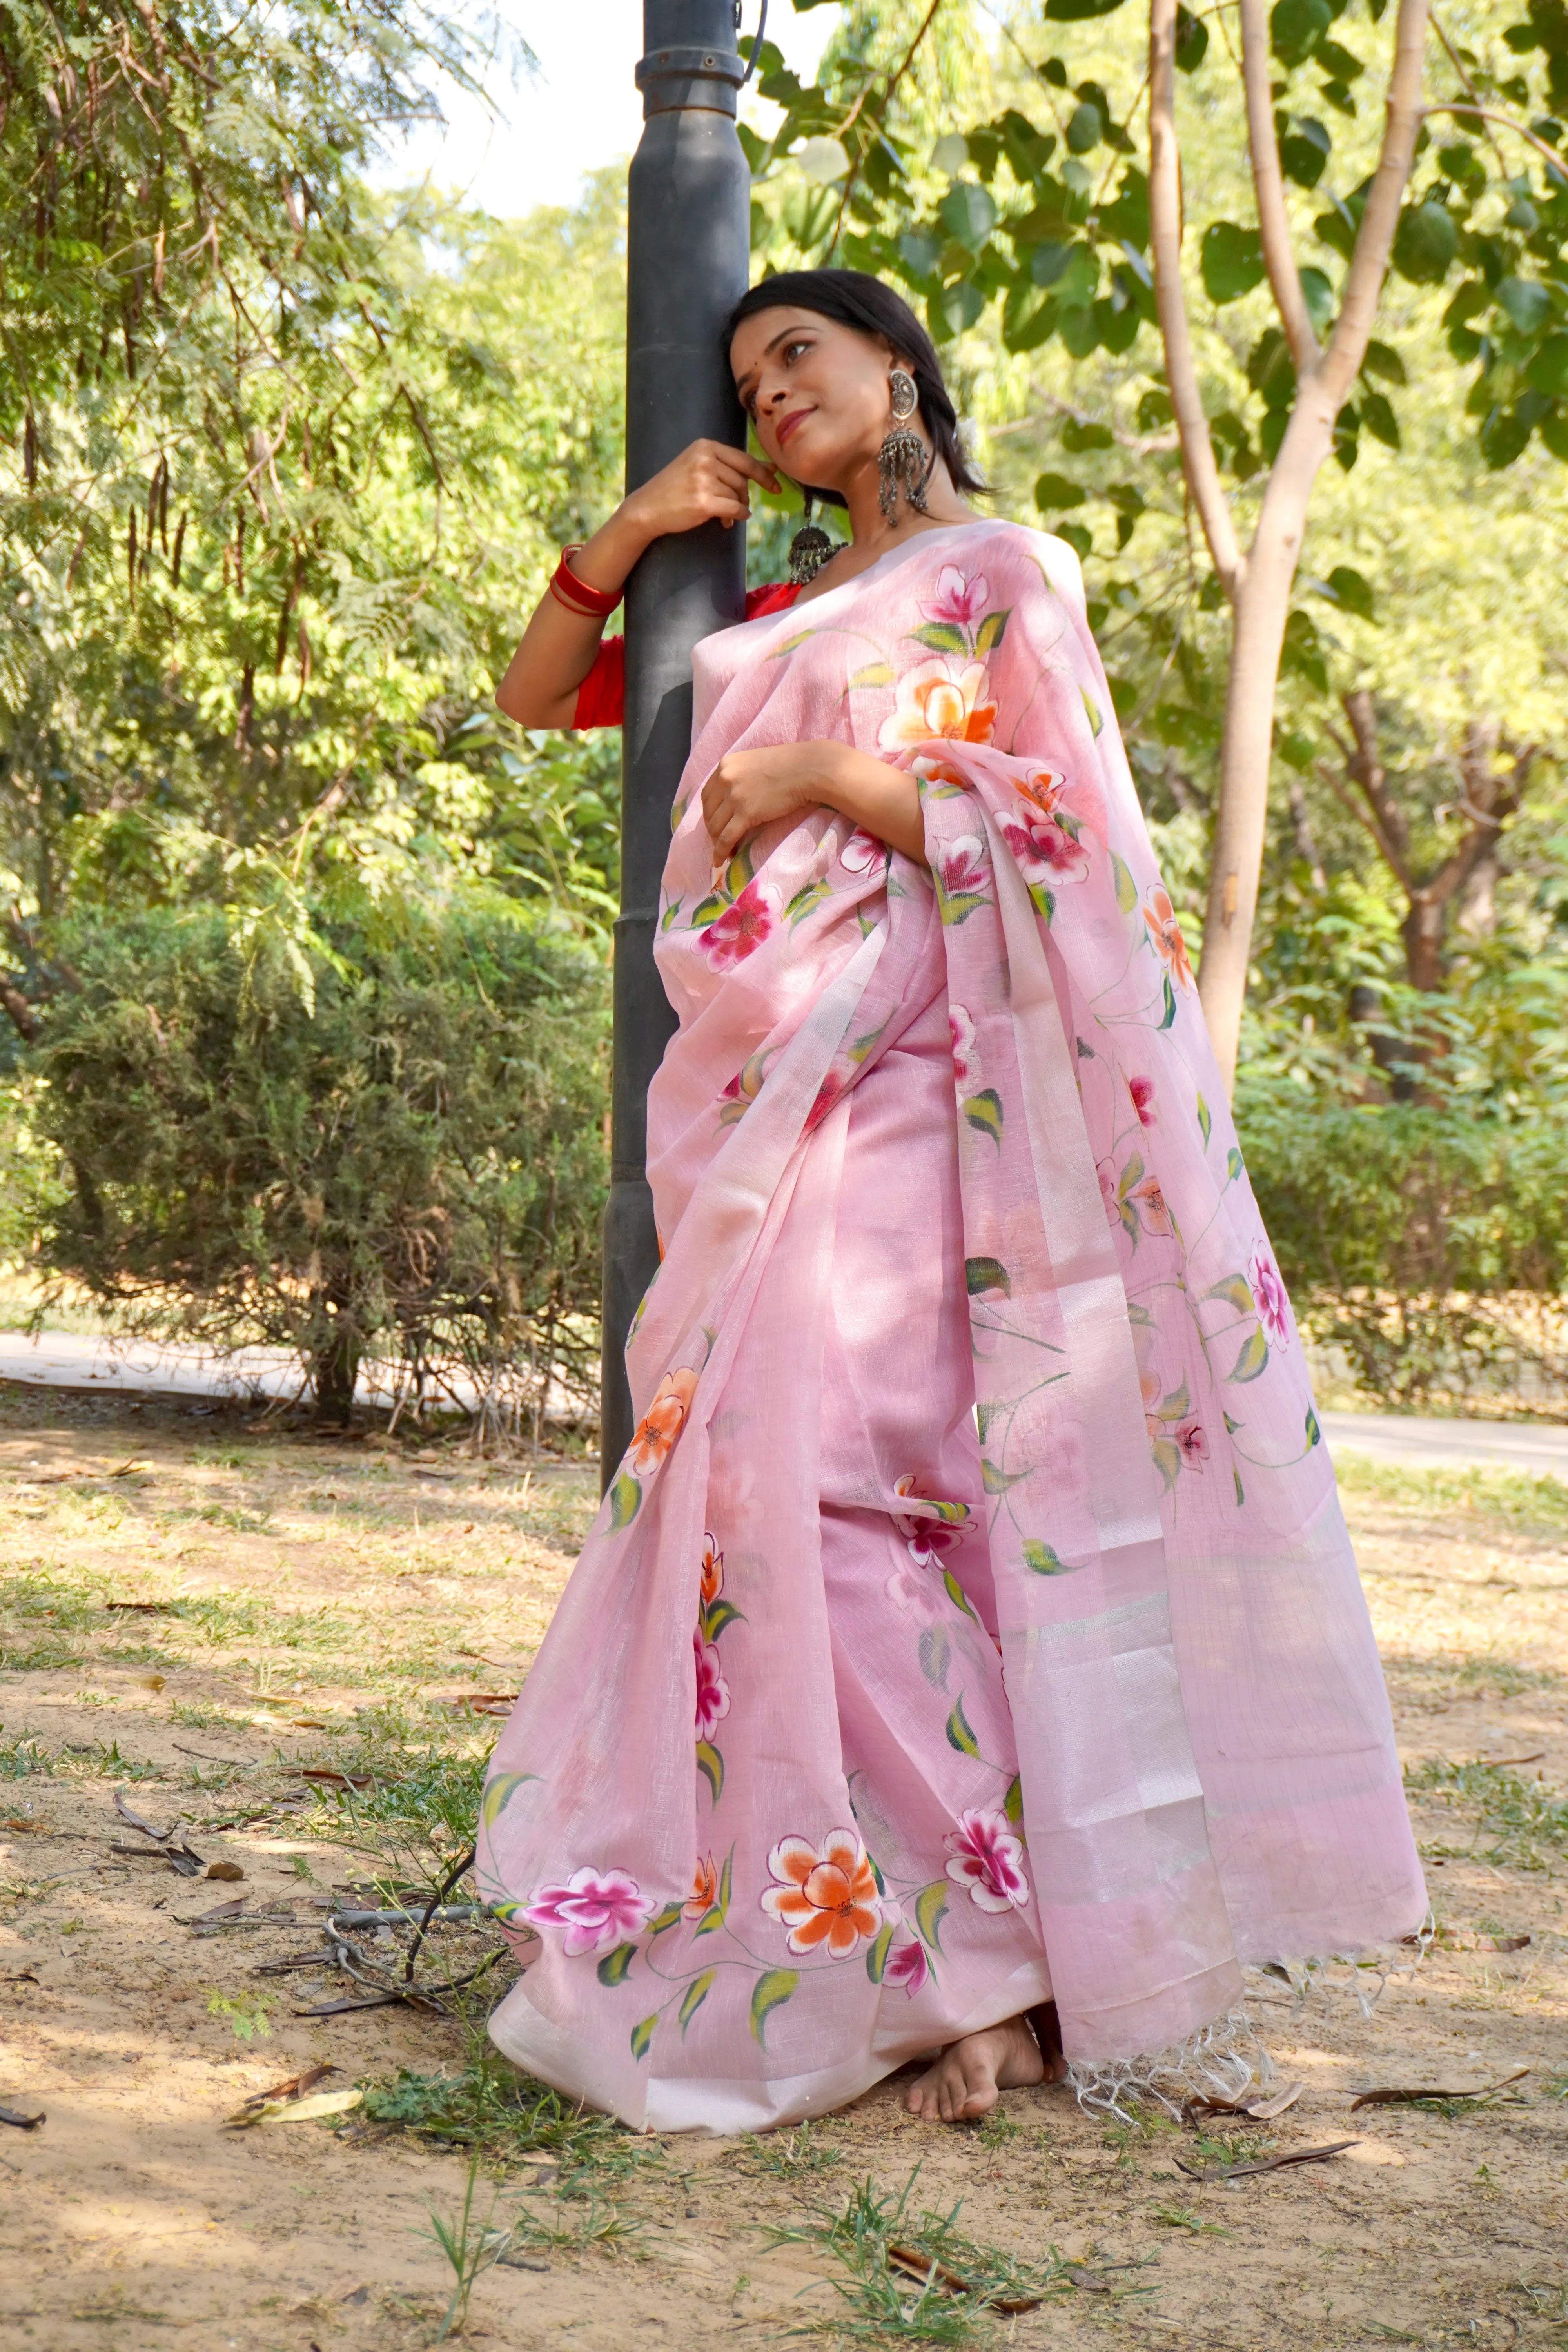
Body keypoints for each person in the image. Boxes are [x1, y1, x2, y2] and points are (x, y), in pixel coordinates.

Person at [478, 269, 1426, 2136]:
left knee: (840, 1492)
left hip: (916, 1092)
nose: (772, 400)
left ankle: (988, 1960)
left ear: (894, 362)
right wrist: (636, 531)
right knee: (778, 1502)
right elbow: (530, 697)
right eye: (749, 382)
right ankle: (963, 1962)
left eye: (799, 358)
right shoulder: (761, 600)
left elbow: (1074, 840)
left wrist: (838, 767)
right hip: (760, 1101)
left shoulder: (1003, 571)